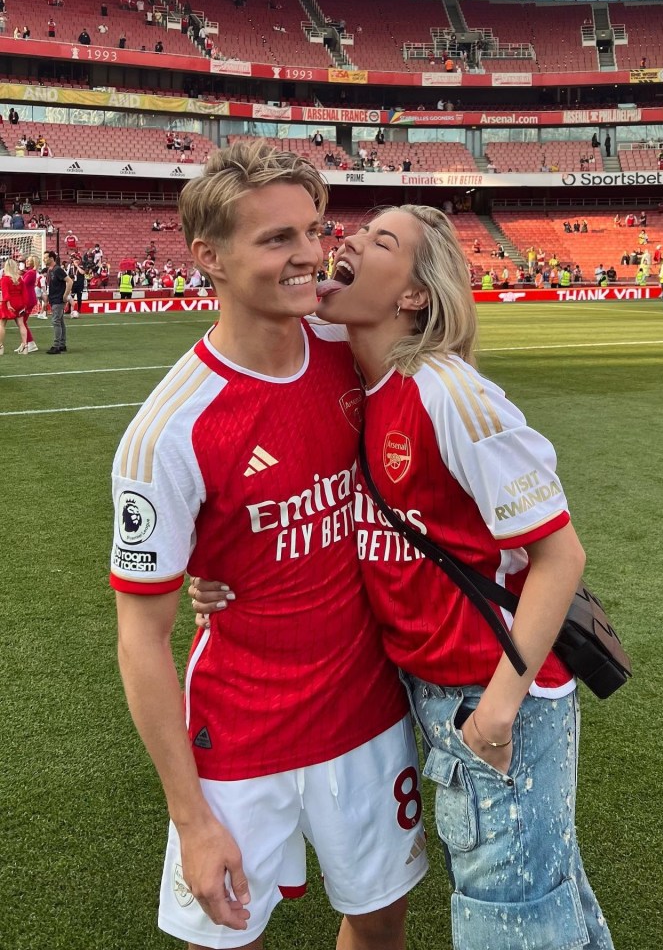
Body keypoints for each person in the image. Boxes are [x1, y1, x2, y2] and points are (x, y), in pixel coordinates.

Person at [195, 204, 615, 949]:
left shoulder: (447, 392)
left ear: (414, 295)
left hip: (492, 695)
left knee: (507, 917)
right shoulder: (358, 384)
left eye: (380, 240)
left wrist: (497, 708)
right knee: (545, 900)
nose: (347, 240)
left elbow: (562, 556)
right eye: (355, 233)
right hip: (434, 692)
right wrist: (224, 577)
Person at [110, 142, 427, 950]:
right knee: (227, 937)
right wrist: (190, 817)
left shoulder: (351, 355)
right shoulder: (168, 433)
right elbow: (142, 639)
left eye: (315, 230)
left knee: (381, 921)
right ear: (209, 258)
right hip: (239, 733)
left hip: (367, 715)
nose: (311, 255)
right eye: (278, 238)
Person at [45, 250, 72, 354]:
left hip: (58, 299)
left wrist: (65, 295)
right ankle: (62, 344)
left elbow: (69, 281)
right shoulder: (50, 270)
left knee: (56, 321)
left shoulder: (57, 270)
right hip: (53, 298)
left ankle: (57, 345)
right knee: (60, 322)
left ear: (51, 258)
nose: (44, 259)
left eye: (46, 257)